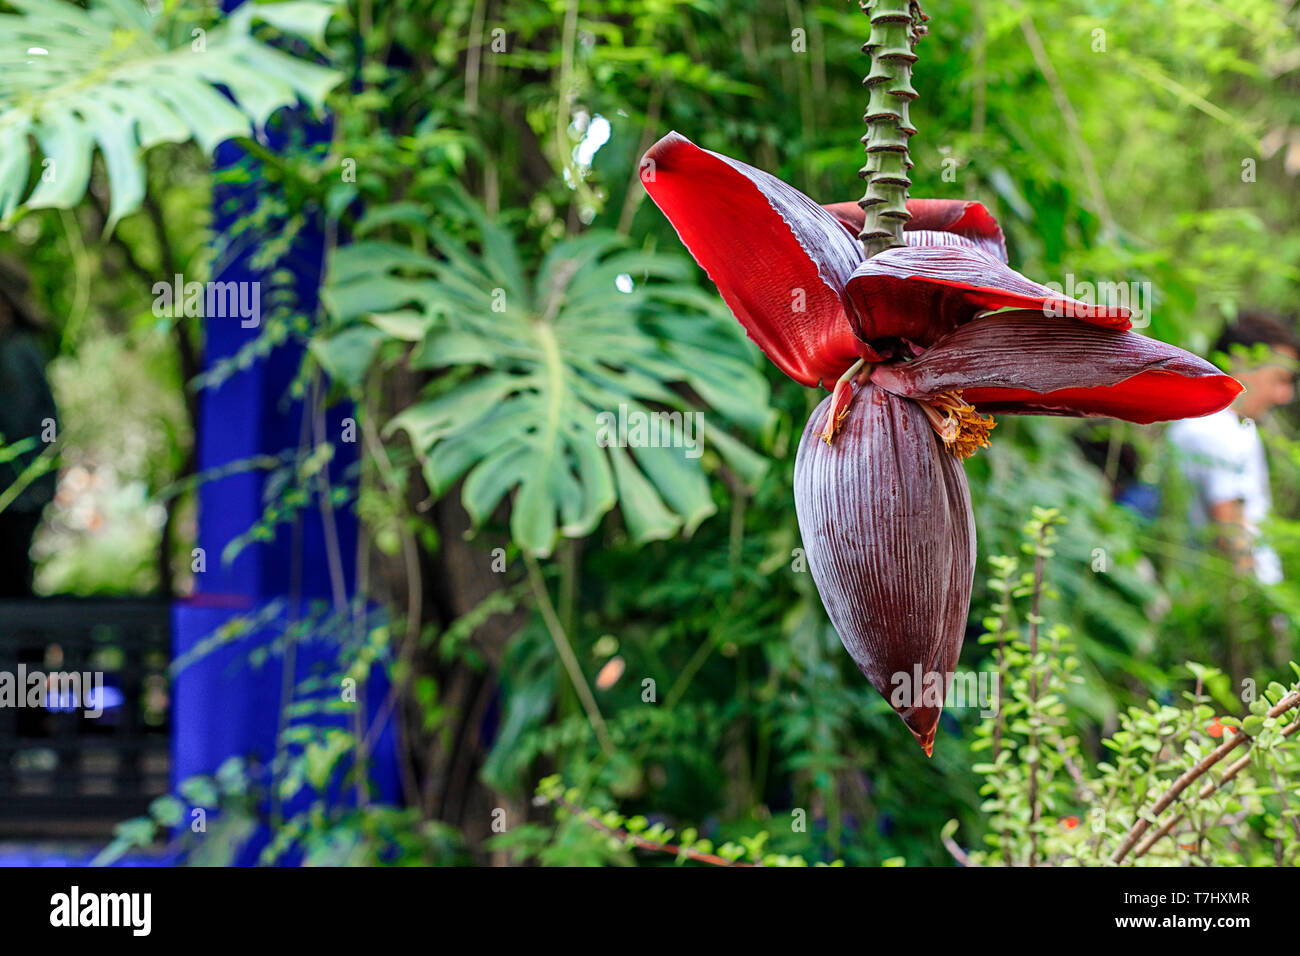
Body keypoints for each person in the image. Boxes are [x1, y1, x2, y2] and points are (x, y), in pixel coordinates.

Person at [1166, 310, 1299, 585]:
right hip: (1221, 608)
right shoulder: (1218, 431)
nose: (1284, 395)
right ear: (1239, 362)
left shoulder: (1212, 423)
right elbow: (1231, 533)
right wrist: (1259, 613)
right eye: (1280, 379)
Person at [0, 256, 59, 598]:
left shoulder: (15, 353)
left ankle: (26, 653)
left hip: (15, 494)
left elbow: (19, 421)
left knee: (12, 589)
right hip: (22, 492)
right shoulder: (23, 350)